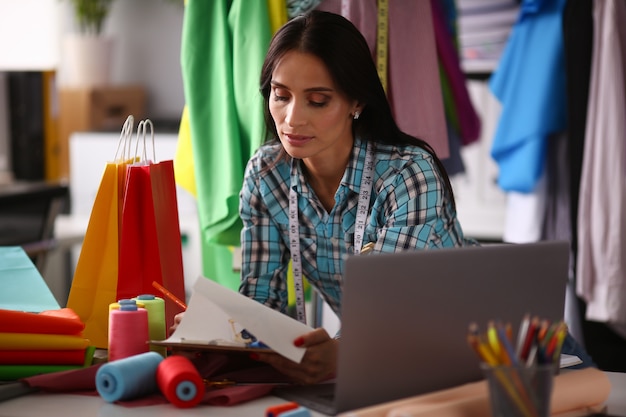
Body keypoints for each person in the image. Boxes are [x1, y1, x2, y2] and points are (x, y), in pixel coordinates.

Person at [172, 9, 593, 384]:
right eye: (280, 96)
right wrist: (220, 331)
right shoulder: (267, 175)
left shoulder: (408, 174)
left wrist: (340, 352)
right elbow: (259, 302)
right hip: (419, 363)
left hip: (516, 343)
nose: (292, 118)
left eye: (318, 101)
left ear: (356, 101)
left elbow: (392, 313)